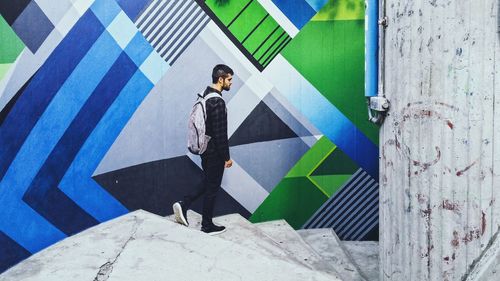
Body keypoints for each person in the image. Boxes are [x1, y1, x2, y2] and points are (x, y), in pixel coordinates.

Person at [173, 64, 234, 235]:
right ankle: (206, 225)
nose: (231, 83)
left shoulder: (205, 95)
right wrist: (227, 157)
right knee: (212, 187)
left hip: (204, 149)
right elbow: (220, 133)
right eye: (229, 79)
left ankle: (184, 204)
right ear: (220, 79)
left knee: (208, 182)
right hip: (215, 151)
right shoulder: (218, 101)